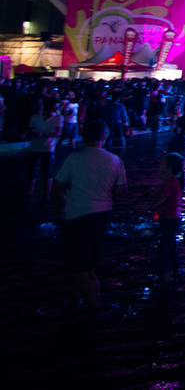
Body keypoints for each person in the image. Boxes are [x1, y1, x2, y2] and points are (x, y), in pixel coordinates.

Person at [52, 121, 127, 310]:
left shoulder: (73, 159)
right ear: (103, 137)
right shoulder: (115, 160)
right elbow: (121, 193)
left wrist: (67, 202)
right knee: (85, 266)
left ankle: (95, 313)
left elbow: (56, 190)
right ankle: (75, 303)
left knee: (83, 269)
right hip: (102, 217)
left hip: (78, 218)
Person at [154, 153, 184, 285]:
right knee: (171, 247)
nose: (160, 164)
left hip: (170, 220)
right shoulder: (175, 181)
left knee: (163, 251)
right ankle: (177, 271)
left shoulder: (169, 182)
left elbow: (161, 200)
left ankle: (166, 280)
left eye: (163, 163)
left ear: (169, 168)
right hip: (174, 219)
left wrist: (153, 200)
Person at [27, 97, 62, 198]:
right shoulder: (35, 117)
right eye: (55, 105)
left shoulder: (58, 117)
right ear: (49, 106)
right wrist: (34, 133)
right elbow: (29, 131)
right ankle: (30, 194)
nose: (57, 108)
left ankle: (46, 195)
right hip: (35, 148)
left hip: (48, 149)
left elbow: (58, 133)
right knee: (32, 172)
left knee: (47, 172)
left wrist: (42, 135)